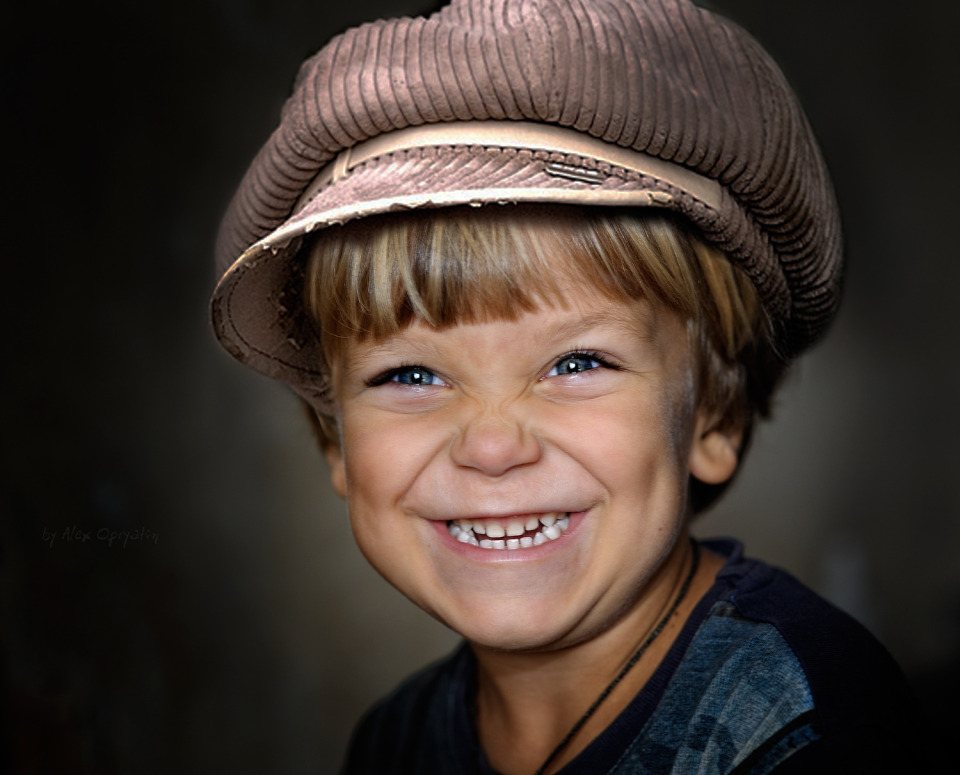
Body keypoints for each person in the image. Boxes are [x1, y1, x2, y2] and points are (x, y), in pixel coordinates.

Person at [211, 1, 926, 771]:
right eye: (410, 374)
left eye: (576, 363)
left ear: (713, 417)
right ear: (337, 442)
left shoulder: (807, 728)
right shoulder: (395, 741)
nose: (491, 444)